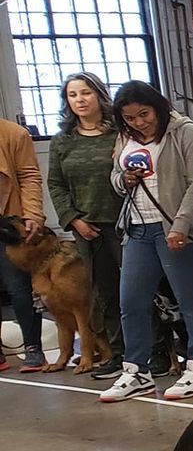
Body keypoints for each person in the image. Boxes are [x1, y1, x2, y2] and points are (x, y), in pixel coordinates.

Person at [98, 81, 193, 403]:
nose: (139, 122)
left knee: (188, 301)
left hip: (180, 231)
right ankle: (136, 370)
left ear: (159, 107)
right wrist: (123, 180)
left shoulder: (186, 133)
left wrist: (180, 227)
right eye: (130, 118)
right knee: (131, 302)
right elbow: (115, 177)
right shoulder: (125, 137)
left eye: (144, 114)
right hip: (138, 228)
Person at [45, 72, 124, 378]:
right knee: (105, 293)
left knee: (142, 290)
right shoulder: (62, 141)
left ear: (99, 95)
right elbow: (56, 185)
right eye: (73, 95)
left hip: (126, 223)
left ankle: (158, 350)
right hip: (87, 228)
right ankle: (119, 352)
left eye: (85, 93)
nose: (80, 100)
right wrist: (74, 221)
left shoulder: (121, 133)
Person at [0, 116, 45, 372]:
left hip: (9, 221)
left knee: (19, 287)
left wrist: (33, 214)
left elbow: (29, 176)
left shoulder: (15, 134)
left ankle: (33, 348)